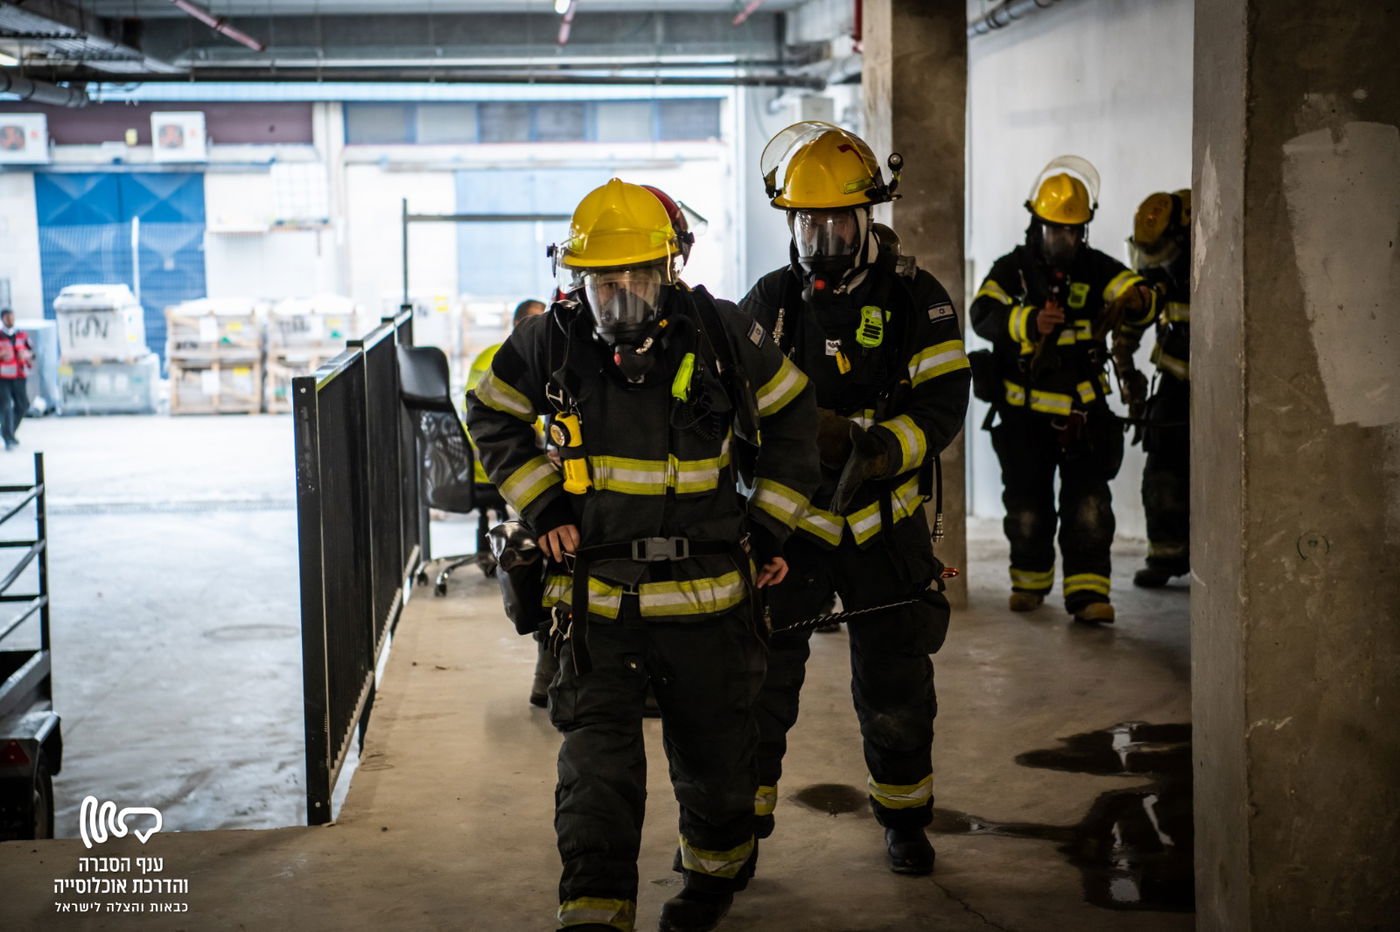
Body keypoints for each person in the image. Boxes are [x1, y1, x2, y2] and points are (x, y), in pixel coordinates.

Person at [466, 179, 819, 932]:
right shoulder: (549, 341)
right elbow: (490, 411)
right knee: (596, 776)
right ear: (576, 280)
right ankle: (593, 909)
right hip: (595, 613)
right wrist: (545, 504)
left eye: (639, 277)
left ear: (672, 270)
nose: (622, 296)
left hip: (711, 609)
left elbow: (795, 418)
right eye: (604, 280)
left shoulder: (723, 334)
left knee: (722, 772)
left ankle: (711, 879)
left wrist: (771, 529)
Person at [741, 122, 971, 876]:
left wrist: (878, 448)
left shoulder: (917, 299)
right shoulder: (769, 303)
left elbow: (941, 407)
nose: (822, 236)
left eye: (837, 220)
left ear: (868, 217)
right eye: (807, 221)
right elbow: (733, 410)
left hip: (885, 527)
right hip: (792, 532)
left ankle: (905, 819)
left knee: (897, 683)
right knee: (759, 683)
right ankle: (733, 831)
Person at [969, 156, 1155, 624]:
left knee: (1089, 508)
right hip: (1024, 419)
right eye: (1056, 230)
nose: (1064, 240)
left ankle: (1088, 596)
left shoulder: (1095, 268)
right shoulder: (1013, 270)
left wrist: (1139, 298)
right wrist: (1027, 320)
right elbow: (982, 313)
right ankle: (1029, 584)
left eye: (1073, 232)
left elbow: (1135, 291)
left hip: (1085, 418)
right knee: (1028, 507)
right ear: (1038, 225)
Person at [466, 298, 555, 706]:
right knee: (549, 548)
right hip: (496, 466)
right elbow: (509, 428)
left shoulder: (496, 354)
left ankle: (546, 674)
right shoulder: (517, 358)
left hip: (487, 461)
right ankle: (549, 671)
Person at [1124, 190, 1192, 588]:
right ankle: (1165, 555)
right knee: (1161, 470)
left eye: (1166, 251)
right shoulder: (1160, 268)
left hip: (1226, 391)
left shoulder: (1220, 256)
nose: (1160, 261)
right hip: (1173, 383)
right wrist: (1126, 367)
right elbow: (1134, 317)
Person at [0, 309, 34, 451]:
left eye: (12, 317)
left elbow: (32, 353)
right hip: (3, 378)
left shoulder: (21, 335)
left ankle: (8, 431)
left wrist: (27, 355)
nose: (10, 320)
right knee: (6, 407)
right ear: (2, 319)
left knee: (23, 405)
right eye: (7, 317)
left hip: (19, 376)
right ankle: (8, 438)